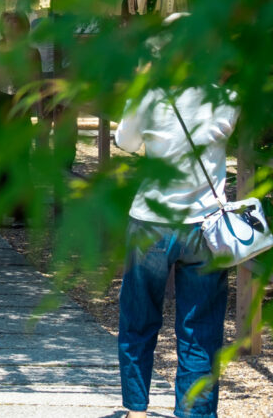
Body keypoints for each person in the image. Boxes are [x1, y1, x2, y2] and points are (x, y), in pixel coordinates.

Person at [115, 58, 238, 417]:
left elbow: (124, 141)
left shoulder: (150, 96)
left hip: (151, 221)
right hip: (205, 227)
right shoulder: (227, 96)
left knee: (138, 319)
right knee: (200, 330)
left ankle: (136, 410)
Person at [0, 11, 41, 226]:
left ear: (24, 26)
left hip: (19, 104)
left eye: (16, 21)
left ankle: (19, 211)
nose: (12, 25)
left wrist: (37, 111)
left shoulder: (31, 53)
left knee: (18, 158)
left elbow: (35, 83)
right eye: (7, 21)